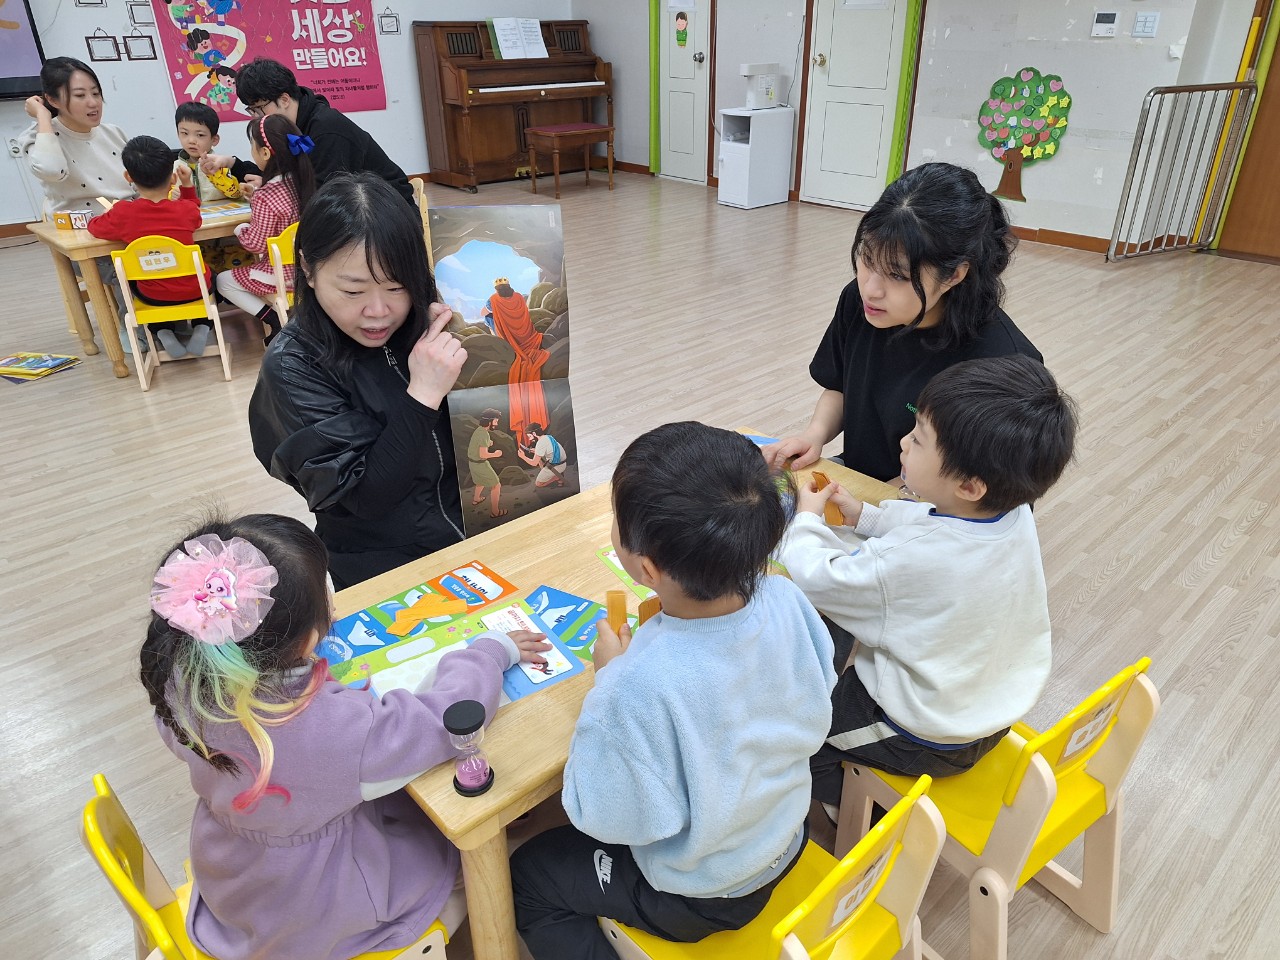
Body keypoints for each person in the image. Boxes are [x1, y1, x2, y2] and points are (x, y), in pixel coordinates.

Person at [140, 513, 552, 960]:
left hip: (237, 880)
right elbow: (445, 719)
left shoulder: (183, 678)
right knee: (470, 847)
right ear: (308, 640)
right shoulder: (329, 730)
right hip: (320, 909)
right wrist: (490, 651)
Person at [510, 422, 837, 960]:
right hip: (786, 834)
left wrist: (610, 679)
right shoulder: (786, 597)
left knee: (529, 875)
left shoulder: (634, 687)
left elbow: (606, 819)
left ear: (647, 568)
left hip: (705, 892)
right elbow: (818, 691)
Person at [776, 355, 1078, 806]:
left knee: (795, 737)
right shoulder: (1010, 513)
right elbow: (929, 520)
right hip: (991, 706)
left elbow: (818, 578)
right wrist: (864, 515)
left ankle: (874, 814)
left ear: (970, 485)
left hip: (921, 732)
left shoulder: (916, 560)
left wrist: (806, 520)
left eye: (918, 440)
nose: (903, 442)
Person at [248, 173, 466, 590]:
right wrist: (423, 393)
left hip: (476, 530)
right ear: (308, 270)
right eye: (353, 292)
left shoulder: (429, 319)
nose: (379, 311)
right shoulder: (293, 366)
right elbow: (365, 498)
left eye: (396, 286)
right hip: (384, 565)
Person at [762, 162, 1043, 483]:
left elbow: (974, 486)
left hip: (938, 503)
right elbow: (840, 387)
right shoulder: (860, 302)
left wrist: (878, 502)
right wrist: (814, 436)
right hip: (863, 483)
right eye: (867, 259)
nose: (871, 289)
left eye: (897, 275)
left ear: (953, 275)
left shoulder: (1002, 362)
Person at [19, 57, 136, 347]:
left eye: (95, 93)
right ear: (52, 100)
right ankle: (135, 330)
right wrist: (43, 118)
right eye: (81, 95)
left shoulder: (113, 133)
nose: (93, 103)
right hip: (86, 239)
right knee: (129, 266)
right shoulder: (39, 137)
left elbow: (137, 182)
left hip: (129, 228)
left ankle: (181, 323)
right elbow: (52, 170)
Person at [206, 57, 414, 204]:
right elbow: (276, 173)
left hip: (387, 213)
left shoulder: (326, 129)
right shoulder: (289, 129)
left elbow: (324, 195)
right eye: (252, 110)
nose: (257, 117)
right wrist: (232, 164)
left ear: (284, 99)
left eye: (259, 108)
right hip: (356, 209)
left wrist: (276, 191)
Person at [87, 135, 214, 359]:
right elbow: (194, 210)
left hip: (153, 295)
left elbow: (94, 227)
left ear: (128, 177)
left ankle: (162, 331)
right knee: (211, 278)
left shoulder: (123, 213)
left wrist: (109, 213)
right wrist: (187, 185)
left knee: (145, 282)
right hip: (194, 290)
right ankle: (202, 326)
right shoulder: (185, 210)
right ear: (172, 177)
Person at [216, 114, 317, 343]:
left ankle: (274, 320)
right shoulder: (303, 181)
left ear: (264, 153)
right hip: (310, 270)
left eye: (252, 146)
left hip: (282, 276)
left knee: (223, 281)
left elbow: (256, 244)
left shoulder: (266, 195)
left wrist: (241, 229)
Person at [487, 278, 549, 438]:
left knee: (488, 318)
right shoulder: (519, 297)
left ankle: (494, 336)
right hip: (529, 338)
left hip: (510, 340)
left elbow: (483, 312)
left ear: (497, 289)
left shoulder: (493, 299)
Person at [173, 101, 260, 201]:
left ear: (214, 140)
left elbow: (235, 193)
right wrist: (172, 194)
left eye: (200, 135)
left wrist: (216, 174)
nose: (191, 140)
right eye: (184, 133)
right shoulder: (175, 167)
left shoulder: (220, 164)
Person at [467, 408, 507, 518]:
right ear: (489, 421)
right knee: (496, 485)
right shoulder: (484, 434)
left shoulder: (479, 430)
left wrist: (488, 443)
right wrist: (496, 454)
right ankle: (495, 512)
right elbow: (483, 455)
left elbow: (477, 445)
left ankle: (476, 499)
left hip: (473, 463)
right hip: (480, 463)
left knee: (480, 481)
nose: (497, 424)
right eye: (496, 421)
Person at [517, 422, 567, 487]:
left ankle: (557, 477)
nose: (530, 439)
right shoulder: (548, 437)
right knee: (540, 458)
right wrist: (536, 451)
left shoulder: (540, 443)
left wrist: (523, 456)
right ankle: (554, 474)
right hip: (562, 463)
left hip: (556, 466)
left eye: (530, 436)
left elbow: (534, 463)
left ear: (534, 433)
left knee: (539, 484)